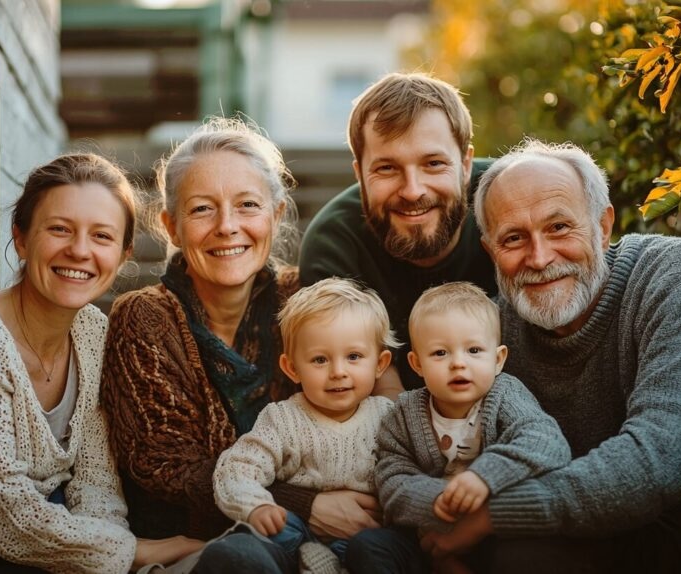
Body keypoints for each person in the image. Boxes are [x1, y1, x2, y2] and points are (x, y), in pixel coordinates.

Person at [418, 139, 681, 572]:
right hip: (575, 539)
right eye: (514, 238)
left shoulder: (678, 279)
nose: (538, 258)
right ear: (490, 252)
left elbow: (662, 462)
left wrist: (495, 516)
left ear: (603, 225)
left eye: (559, 228)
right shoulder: (495, 332)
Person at [101, 118, 383, 571]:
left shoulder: (306, 302)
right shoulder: (145, 318)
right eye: (202, 210)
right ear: (171, 226)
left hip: (323, 545)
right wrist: (306, 502)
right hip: (196, 547)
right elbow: (169, 469)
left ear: (275, 212)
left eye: (247, 205)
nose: (227, 226)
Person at [0, 154, 203, 573]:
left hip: (71, 533)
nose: (80, 251)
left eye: (101, 236)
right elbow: (8, 520)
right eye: (60, 229)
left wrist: (111, 552)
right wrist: (135, 552)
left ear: (123, 253)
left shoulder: (93, 331)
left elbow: (97, 478)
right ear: (22, 238)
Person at [351, 282, 571, 573]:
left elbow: (547, 441)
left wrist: (485, 476)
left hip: (493, 534)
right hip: (425, 536)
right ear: (417, 364)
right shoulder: (404, 414)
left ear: (498, 359)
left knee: (527, 555)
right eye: (440, 353)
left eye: (474, 350)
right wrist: (438, 500)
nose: (458, 363)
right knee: (366, 547)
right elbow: (392, 480)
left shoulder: (505, 395)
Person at [299, 72, 497, 394]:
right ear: (359, 175)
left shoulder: (511, 200)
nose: (412, 191)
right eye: (387, 168)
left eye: (433, 163)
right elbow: (386, 404)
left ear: (466, 165)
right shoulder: (334, 245)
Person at [212, 277, 396, 573]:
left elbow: (419, 467)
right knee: (268, 532)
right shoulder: (283, 419)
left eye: (353, 357)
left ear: (380, 363)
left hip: (365, 536)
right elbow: (237, 468)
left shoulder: (389, 417)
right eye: (320, 360)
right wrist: (257, 505)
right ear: (292, 368)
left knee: (378, 547)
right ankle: (304, 559)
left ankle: (331, 564)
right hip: (297, 531)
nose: (338, 372)